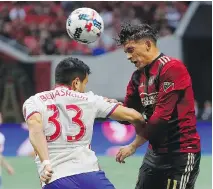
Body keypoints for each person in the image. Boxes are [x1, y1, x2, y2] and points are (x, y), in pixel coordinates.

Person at [22, 57, 145, 189]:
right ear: (76, 82)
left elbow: (35, 129)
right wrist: (133, 145)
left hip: (54, 177)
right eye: (84, 83)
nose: (84, 88)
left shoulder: (34, 101)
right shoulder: (90, 100)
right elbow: (136, 117)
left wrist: (46, 162)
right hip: (90, 175)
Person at [115, 23, 201, 189]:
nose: (128, 57)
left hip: (181, 153)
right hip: (155, 153)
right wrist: (109, 107)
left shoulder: (172, 68)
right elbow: (126, 117)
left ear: (147, 45)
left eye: (130, 50)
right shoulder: (136, 77)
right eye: (126, 52)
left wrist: (133, 146)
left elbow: (161, 117)